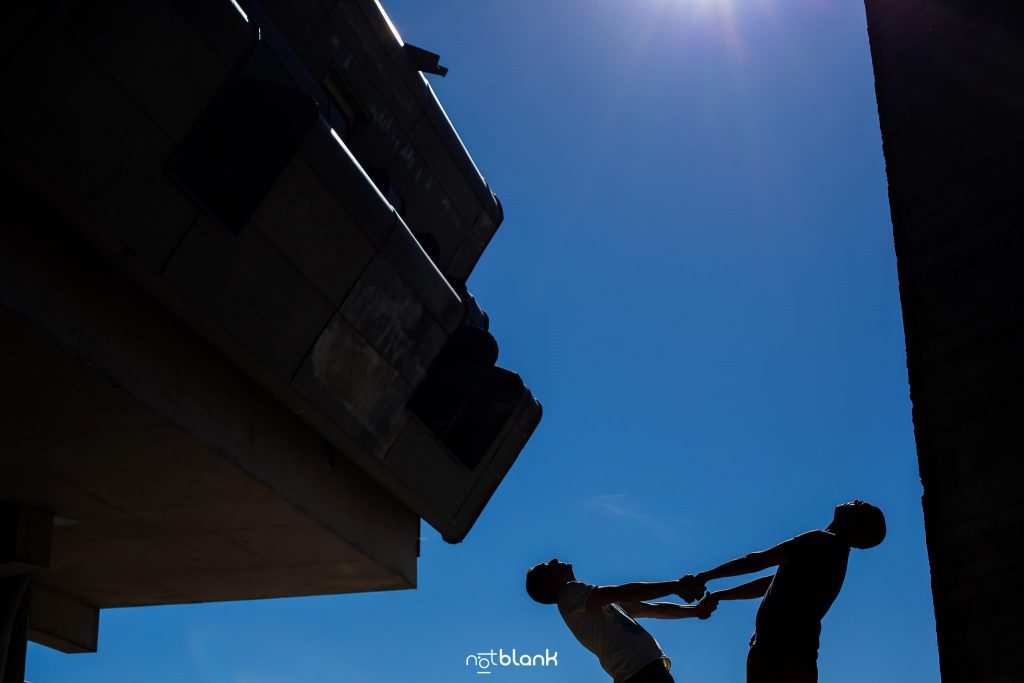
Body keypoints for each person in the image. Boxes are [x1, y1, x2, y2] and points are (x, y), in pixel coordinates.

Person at [679, 501, 886, 682]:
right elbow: (771, 582)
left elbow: (756, 560)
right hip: (796, 654)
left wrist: (704, 577)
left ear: (857, 524)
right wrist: (721, 594)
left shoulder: (821, 541)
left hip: (777, 652)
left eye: (862, 506)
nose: (857, 500)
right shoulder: (835, 555)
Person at [526, 558, 714, 683]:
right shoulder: (568, 592)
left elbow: (649, 608)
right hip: (642, 675)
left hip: (643, 672)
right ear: (550, 584)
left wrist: (695, 611)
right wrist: (678, 586)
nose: (554, 561)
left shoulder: (592, 602)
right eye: (548, 567)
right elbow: (623, 591)